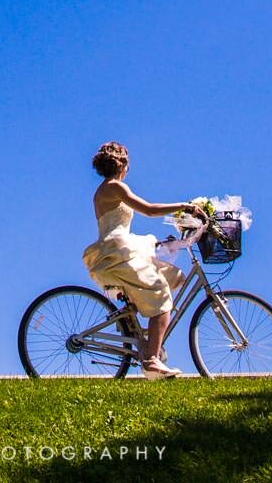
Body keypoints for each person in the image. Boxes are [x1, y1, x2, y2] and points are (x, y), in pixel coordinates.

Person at [82, 141, 197, 379]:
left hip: (118, 249)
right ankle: (151, 361)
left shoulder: (104, 190)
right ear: (122, 164)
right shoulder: (116, 187)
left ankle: (145, 342)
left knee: (171, 276)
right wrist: (185, 207)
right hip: (118, 251)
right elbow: (151, 209)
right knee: (161, 295)